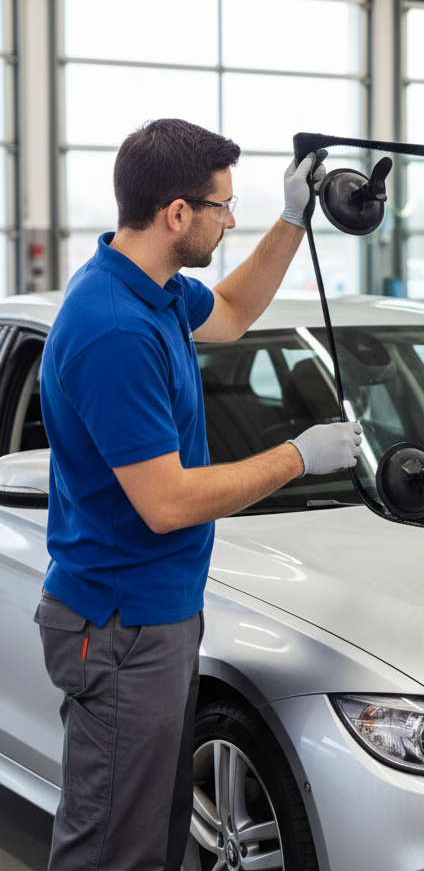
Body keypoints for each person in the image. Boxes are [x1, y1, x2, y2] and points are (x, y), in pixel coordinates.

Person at [34, 118, 364, 871]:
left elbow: (234, 313)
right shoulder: (114, 330)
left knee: (154, 832)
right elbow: (168, 503)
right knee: (112, 846)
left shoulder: (151, 290)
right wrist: (297, 456)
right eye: (223, 207)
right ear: (177, 213)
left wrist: (292, 218)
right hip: (121, 625)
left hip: (156, 614)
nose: (229, 221)